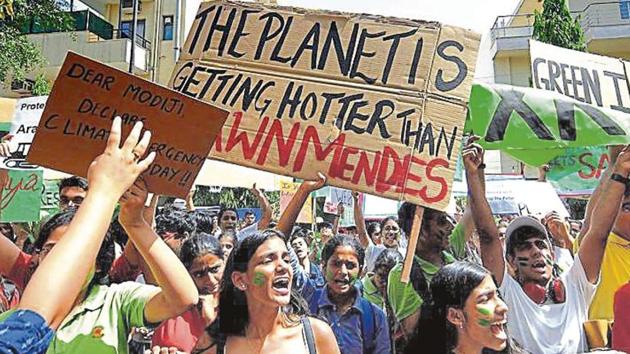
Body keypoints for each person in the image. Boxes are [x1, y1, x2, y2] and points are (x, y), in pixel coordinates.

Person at [0, 117, 153, 353]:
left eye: (79, 201)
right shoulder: (30, 271)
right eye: (65, 200)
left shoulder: (113, 292)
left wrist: (140, 212)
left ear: (100, 263)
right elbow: (29, 327)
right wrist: (104, 190)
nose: (71, 207)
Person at [464, 137, 630, 353]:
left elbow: (598, 232)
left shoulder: (576, 285)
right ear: (511, 261)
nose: (535, 251)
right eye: (524, 246)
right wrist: (474, 175)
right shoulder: (507, 294)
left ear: (552, 252)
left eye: (541, 244)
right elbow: (488, 236)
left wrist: (619, 172)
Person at [202, 230, 339, 354]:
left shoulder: (316, 335)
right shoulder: (220, 346)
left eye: (286, 260)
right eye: (268, 260)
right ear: (240, 280)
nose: (283, 267)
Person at [300, 235, 392, 354]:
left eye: (350, 266)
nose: (343, 272)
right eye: (336, 264)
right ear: (323, 267)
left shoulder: (374, 317)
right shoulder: (306, 308)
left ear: (360, 271)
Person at [151, 233, 224, 353]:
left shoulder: (243, 303)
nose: (210, 280)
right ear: (187, 275)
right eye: (199, 274)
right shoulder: (174, 316)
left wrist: (211, 321)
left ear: (224, 262)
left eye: (215, 269)